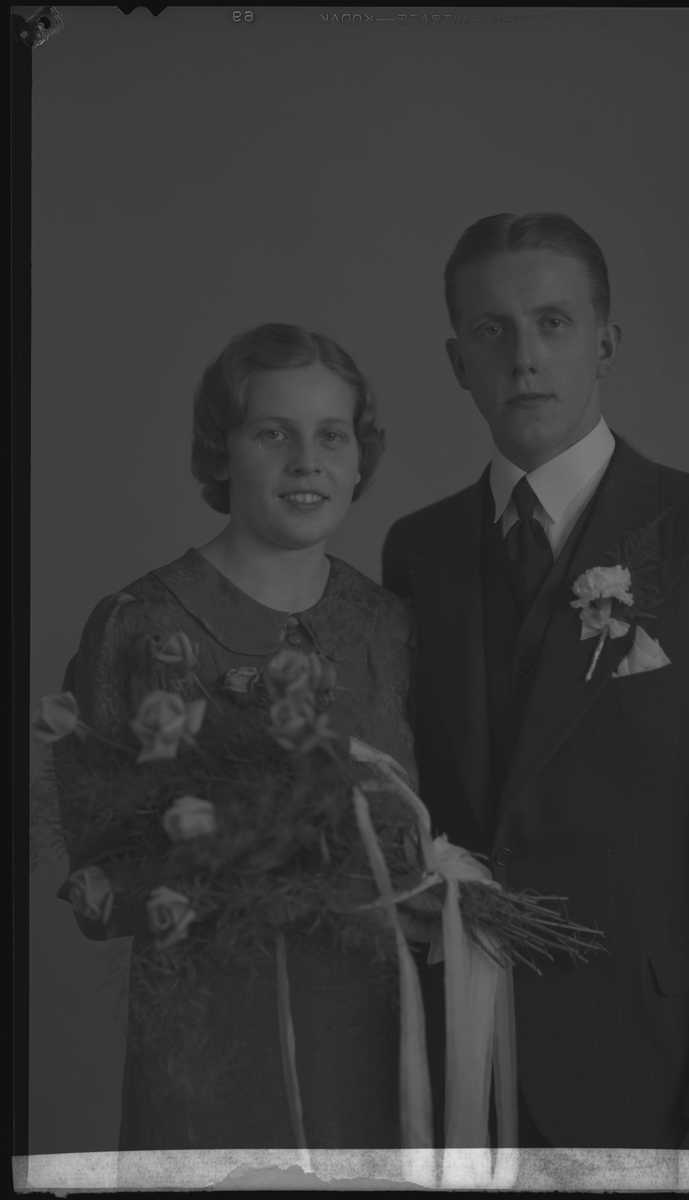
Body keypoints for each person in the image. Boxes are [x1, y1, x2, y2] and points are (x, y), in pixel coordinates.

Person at [381, 212, 689, 1151]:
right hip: (466, 1080)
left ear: (605, 343)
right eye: (491, 330)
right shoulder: (417, 551)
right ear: (456, 361)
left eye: (552, 323)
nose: (523, 357)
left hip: (669, 1078)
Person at [54, 323, 420, 1151]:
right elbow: (100, 875)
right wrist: (253, 849)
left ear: (359, 458)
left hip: (378, 1041)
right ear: (221, 451)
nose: (306, 461)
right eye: (272, 434)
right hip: (214, 1044)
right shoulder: (141, 625)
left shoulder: (390, 628)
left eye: (331, 436)